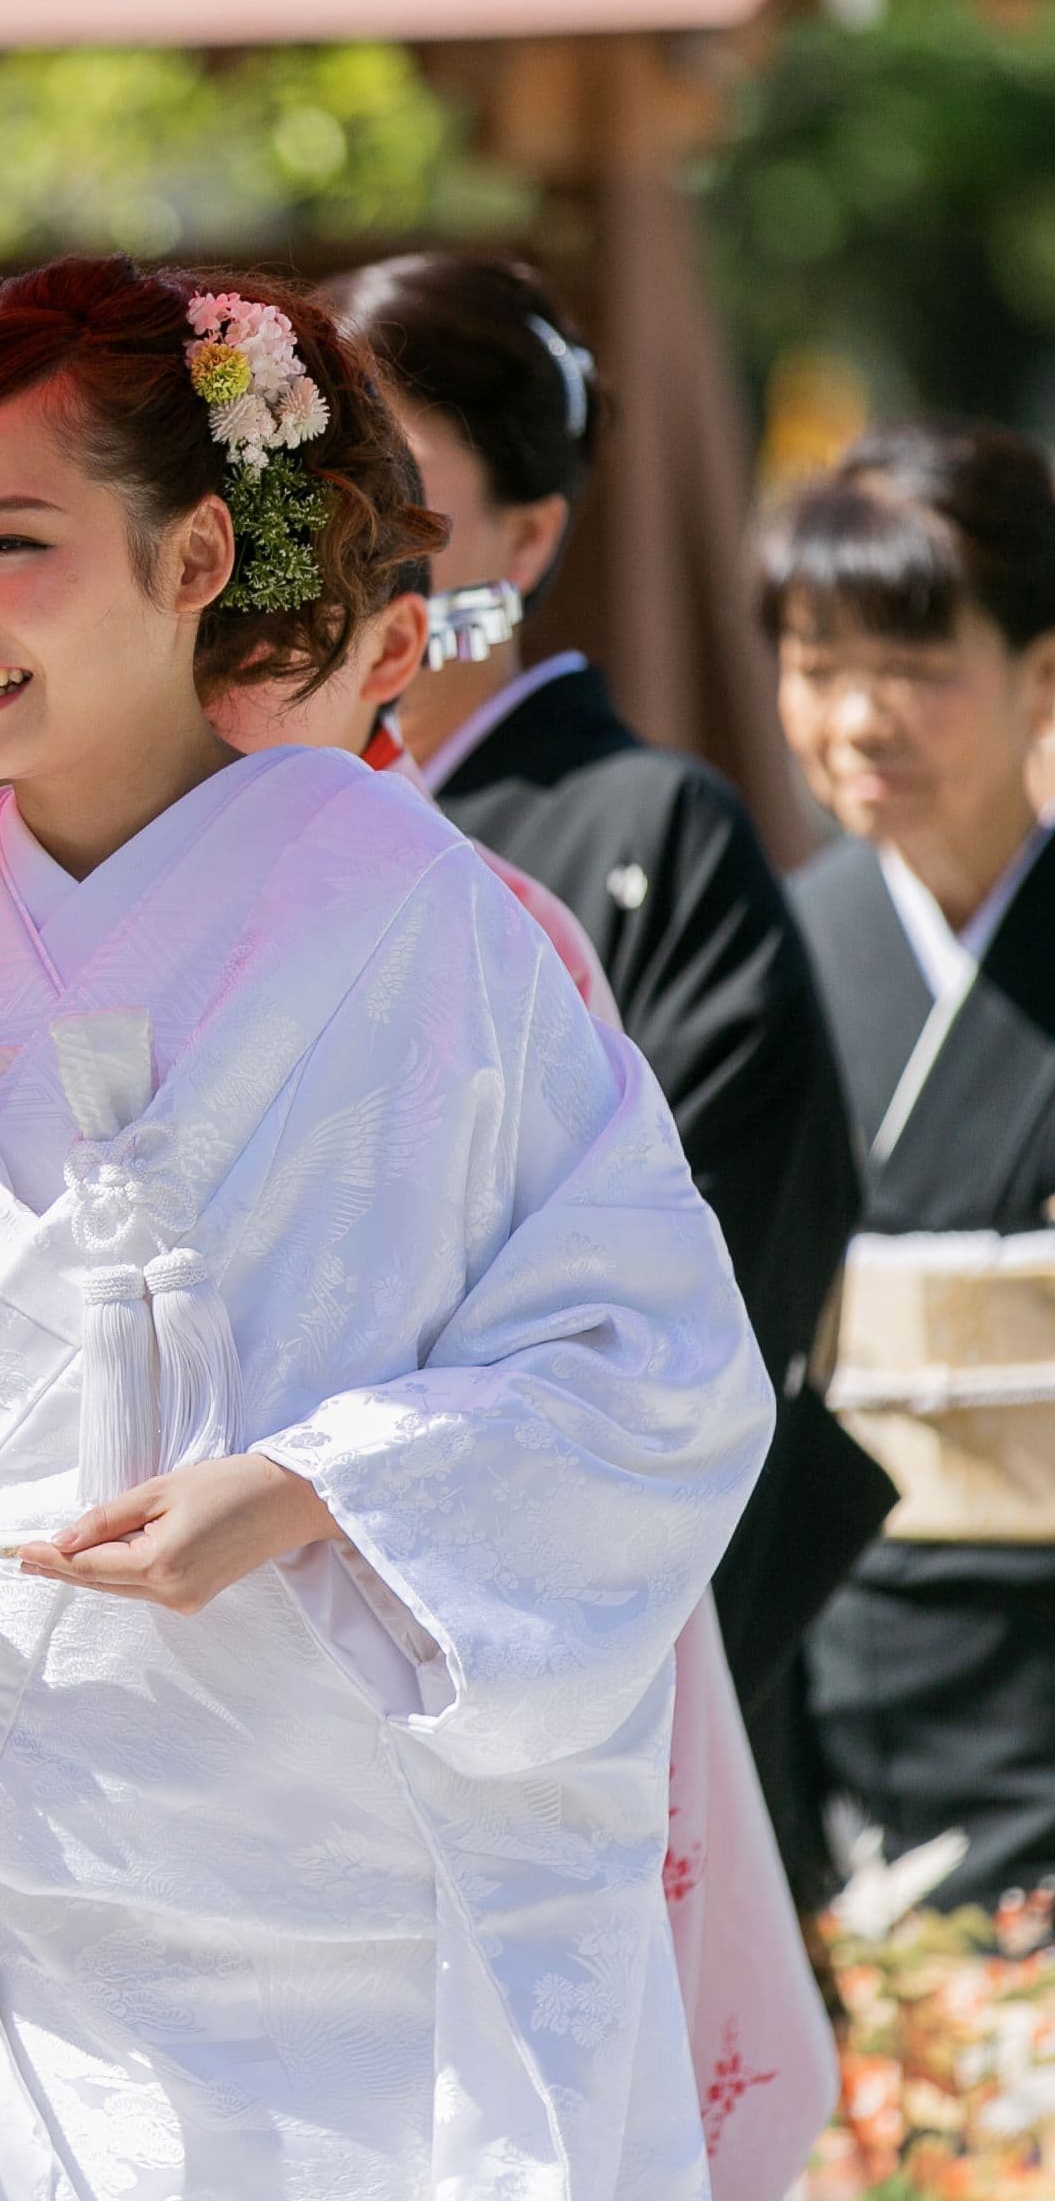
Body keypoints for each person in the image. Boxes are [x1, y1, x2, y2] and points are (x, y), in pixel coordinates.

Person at [0, 256, 773, 2199]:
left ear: (193, 563)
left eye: (17, 540)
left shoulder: (434, 932)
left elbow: (655, 1376)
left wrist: (322, 1493)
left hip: (347, 1970)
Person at [205, 480, 834, 2201]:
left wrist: (319, 1485)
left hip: (413, 1635)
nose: (213, 702)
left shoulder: (492, 929)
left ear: (394, 647)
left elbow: (635, 1357)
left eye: (256, 651)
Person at [329, 252, 881, 1882]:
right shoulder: (266, 834)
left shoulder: (653, 837)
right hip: (286, 1614)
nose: (351, 534)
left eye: (403, 489)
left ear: (529, 536)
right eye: (317, 485)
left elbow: (710, 1268)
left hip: (566, 1606)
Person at [765, 422, 1055, 1914]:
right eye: (818, 667)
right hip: (840, 1652)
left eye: (920, 665)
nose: (862, 717)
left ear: (1043, 675)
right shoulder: (764, 952)